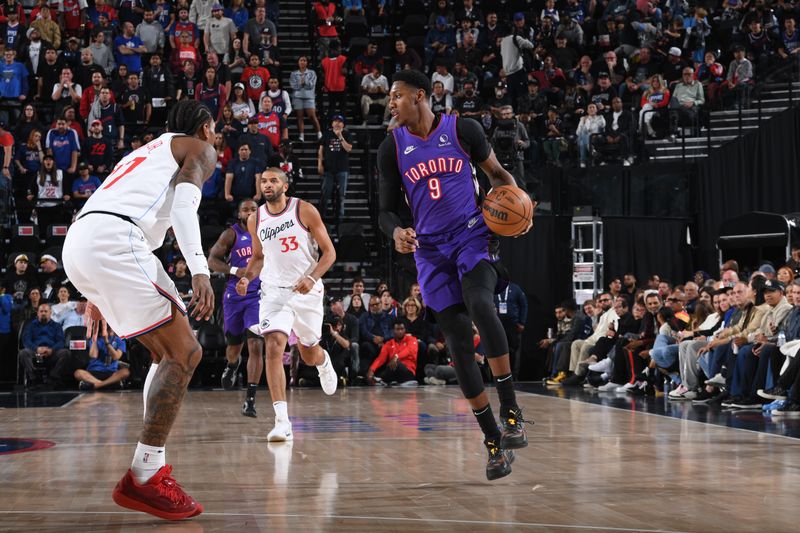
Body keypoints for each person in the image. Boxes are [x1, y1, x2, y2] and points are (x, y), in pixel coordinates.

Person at [62, 100, 218, 520]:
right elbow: (185, 208)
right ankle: (145, 475)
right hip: (115, 240)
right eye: (215, 130)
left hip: (84, 239)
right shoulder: (200, 148)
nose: (216, 139)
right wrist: (200, 271)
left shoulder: (146, 152)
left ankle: (150, 466)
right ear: (205, 129)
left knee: (166, 351)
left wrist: (94, 288)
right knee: (185, 352)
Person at [377, 69, 530, 480]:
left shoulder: (462, 129)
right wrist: (395, 231)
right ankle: (493, 440)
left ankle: (511, 408)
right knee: (459, 344)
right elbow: (385, 209)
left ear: (420, 96)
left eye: (397, 95)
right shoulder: (391, 147)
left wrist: (522, 209)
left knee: (481, 304)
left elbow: (498, 175)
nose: (391, 102)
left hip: (471, 235)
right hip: (429, 251)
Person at [236, 167, 338, 441]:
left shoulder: (304, 210)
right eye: (264, 181)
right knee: (273, 346)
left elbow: (329, 253)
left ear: (285, 186)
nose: (267, 185)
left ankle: (323, 361)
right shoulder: (255, 219)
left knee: (308, 353)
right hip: (273, 291)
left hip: (306, 290)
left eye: (273, 181)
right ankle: (282, 421)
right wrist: (247, 278)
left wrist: (312, 277)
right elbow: (258, 257)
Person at [207, 199, 266, 417]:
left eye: (253, 209)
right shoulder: (230, 234)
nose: (250, 212)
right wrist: (234, 270)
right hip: (234, 295)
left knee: (256, 345)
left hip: (258, 295)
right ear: (239, 213)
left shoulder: (266, 233)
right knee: (234, 346)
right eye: (245, 209)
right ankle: (232, 365)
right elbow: (212, 260)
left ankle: (250, 399)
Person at [18, 303, 71, 388]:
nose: (43, 313)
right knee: (23, 353)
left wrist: (51, 350)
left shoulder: (57, 326)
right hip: (35, 353)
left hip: (52, 353)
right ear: (38, 313)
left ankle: (53, 377)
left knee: (66, 353)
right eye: (41, 311)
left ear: (50, 313)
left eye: (45, 311)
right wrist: (37, 349)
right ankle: (33, 378)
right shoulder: (31, 325)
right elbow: (26, 341)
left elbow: (61, 341)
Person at [74, 321, 130, 391]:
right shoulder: (94, 339)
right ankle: (103, 384)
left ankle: (97, 385)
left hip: (111, 372)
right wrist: (95, 337)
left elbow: (116, 357)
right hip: (94, 372)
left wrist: (106, 341)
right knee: (78, 373)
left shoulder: (119, 340)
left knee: (125, 372)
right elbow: (93, 355)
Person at [318, 114, 353, 223]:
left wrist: (340, 137)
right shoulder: (327, 134)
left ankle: (339, 221)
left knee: (341, 196)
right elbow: (321, 150)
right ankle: (320, 219)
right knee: (325, 193)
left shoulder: (347, 134)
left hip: (342, 170)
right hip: (328, 169)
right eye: (335, 121)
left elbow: (348, 149)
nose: (337, 123)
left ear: (343, 124)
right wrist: (319, 164)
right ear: (332, 123)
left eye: (340, 121)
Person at [366, 319, 419, 386]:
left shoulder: (412, 339)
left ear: (405, 330)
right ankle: (380, 380)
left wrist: (396, 356)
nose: (400, 331)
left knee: (396, 364)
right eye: (397, 329)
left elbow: (409, 350)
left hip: (408, 372)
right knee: (374, 375)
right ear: (393, 331)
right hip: (392, 370)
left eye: (402, 329)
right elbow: (380, 358)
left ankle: (382, 380)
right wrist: (371, 369)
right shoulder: (389, 343)